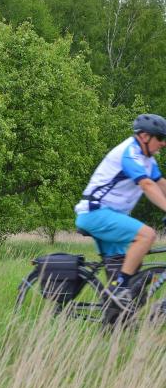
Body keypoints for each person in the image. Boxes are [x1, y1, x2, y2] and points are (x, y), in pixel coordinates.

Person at [75, 113, 166, 312]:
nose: (163, 143)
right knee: (147, 235)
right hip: (95, 213)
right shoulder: (130, 152)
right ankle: (119, 288)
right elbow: (147, 184)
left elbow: (160, 183)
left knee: (131, 271)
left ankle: (115, 317)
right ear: (144, 136)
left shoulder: (147, 159)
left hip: (109, 216)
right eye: (160, 137)